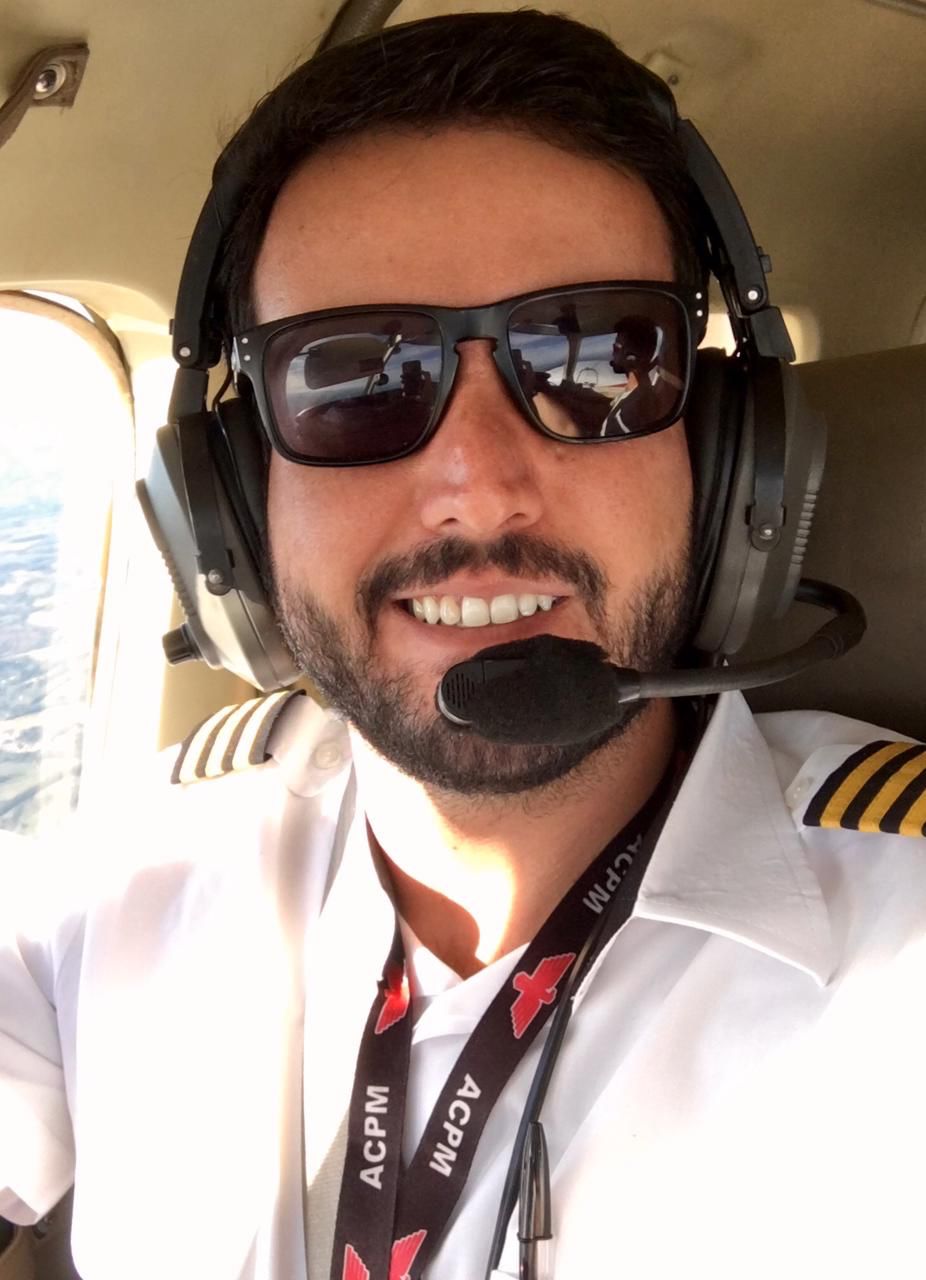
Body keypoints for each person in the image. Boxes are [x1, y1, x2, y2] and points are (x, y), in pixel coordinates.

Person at [2, 11, 925, 1280]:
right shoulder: (124, 879)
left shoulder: (896, 946)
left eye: (594, 358)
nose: (479, 486)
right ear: (229, 497)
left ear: (728, 459)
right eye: (352, 378)